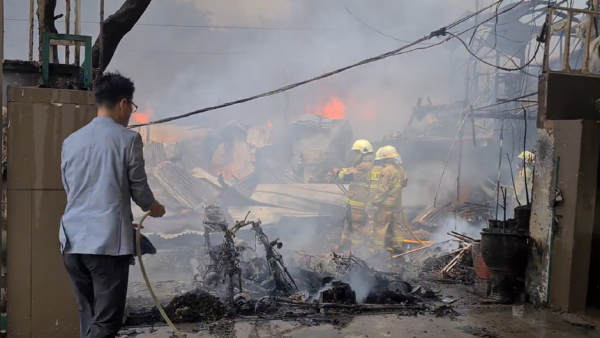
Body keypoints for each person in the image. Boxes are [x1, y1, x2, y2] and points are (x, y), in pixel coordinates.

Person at [60, 71, 166, 338]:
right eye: (131, 106)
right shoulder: (128, 139)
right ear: (123, 103)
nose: (131, 112)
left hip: (72, 243)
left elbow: (73, 191)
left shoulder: (70, 142)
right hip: (105, 247)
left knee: (89, 317)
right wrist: (155, 208)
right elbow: (139, 191)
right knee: (106, 323)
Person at [331, 139, 374, 251]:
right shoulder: (361, 164)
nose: (354, 155)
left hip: (359, 201)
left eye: (356, 153)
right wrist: (341, 170)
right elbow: (350, 170)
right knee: (348, 222)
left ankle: (355, 251)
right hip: (353, 199)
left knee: (355, 226)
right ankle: (343, 244)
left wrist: (338, 172)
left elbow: (349, 176)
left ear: (363, 152)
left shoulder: (365, 166)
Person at [367, 145, 407, 256]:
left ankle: (378, 248)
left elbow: (382, 189)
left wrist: (375, 202)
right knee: (396, 225)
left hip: (386, 205)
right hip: (397, 204)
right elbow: (404, 184)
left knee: (381, 225)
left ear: (385, 158)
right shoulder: (401, 169)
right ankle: (398, 246)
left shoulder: (386, 170)